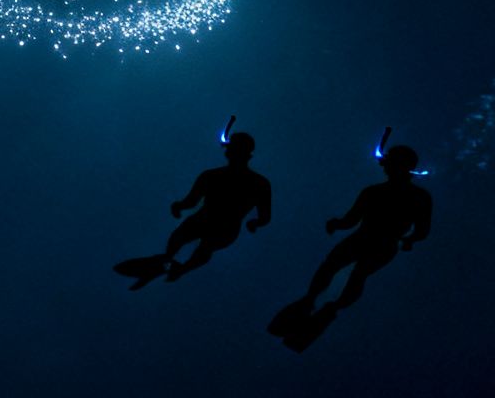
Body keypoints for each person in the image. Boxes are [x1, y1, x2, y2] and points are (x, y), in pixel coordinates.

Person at [267, 142, 432, 351]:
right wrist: (409, 240)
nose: (383, 166)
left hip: (365, 240)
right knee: (352, 273)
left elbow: (351, 221)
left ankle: (313, 303)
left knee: (341, 269)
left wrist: (337, 224)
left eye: (388, 162)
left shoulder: (377, 192)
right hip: (381, 244)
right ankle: (323, 307)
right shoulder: (416, 197)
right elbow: (421, 231)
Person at [114, 130, 271, 289]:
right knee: (197, 244)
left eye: (231, 147)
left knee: (199, 244)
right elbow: (264, 217)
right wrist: (255, 223)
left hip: (214, 224)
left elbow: (191, 202)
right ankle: (174, 265)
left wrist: (179, 206)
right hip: (220, 226)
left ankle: (172, 265)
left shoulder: (214, 176)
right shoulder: (258, 183)